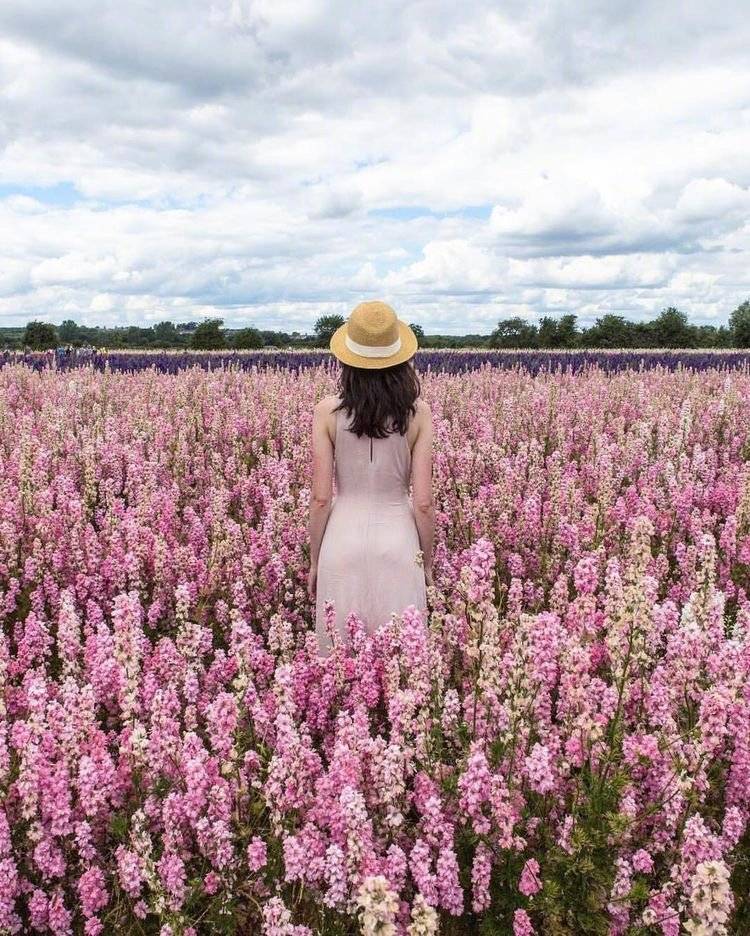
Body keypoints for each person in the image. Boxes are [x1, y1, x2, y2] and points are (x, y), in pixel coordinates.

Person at [308, 300, 435, 656]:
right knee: (404, 668)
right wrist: (426, 564)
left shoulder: (326, 412)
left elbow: (320, 499)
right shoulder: (419, 415)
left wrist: (316, 561)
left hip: (340, 543)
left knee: (338, 666)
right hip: (399, 543)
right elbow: (423, 503)